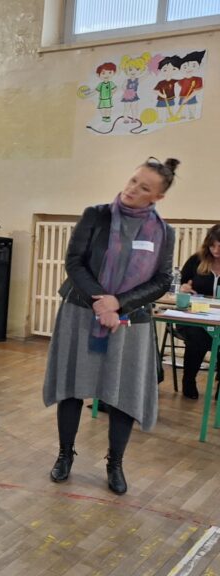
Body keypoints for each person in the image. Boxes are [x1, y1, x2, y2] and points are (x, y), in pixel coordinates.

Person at [43, 157, 179, 496]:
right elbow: (74, 262)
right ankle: (65, 454)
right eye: (133, 181)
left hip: (130, 320)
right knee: (72, 385)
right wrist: (100, 302)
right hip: (80, 311)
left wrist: (118, 303)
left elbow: (162, 280)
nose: (132, 190)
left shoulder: (165, 232)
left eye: (144, 188)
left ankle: (115, 463)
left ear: (158, 197)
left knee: (123, 392)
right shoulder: (96, 215)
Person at [176, 224, 220, 399]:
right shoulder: (196, 260)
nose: (216, 251)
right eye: (212, 246)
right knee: (197, 336)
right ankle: (189, 380)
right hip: (194, 316)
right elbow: (181, 286)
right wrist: (184, 289)